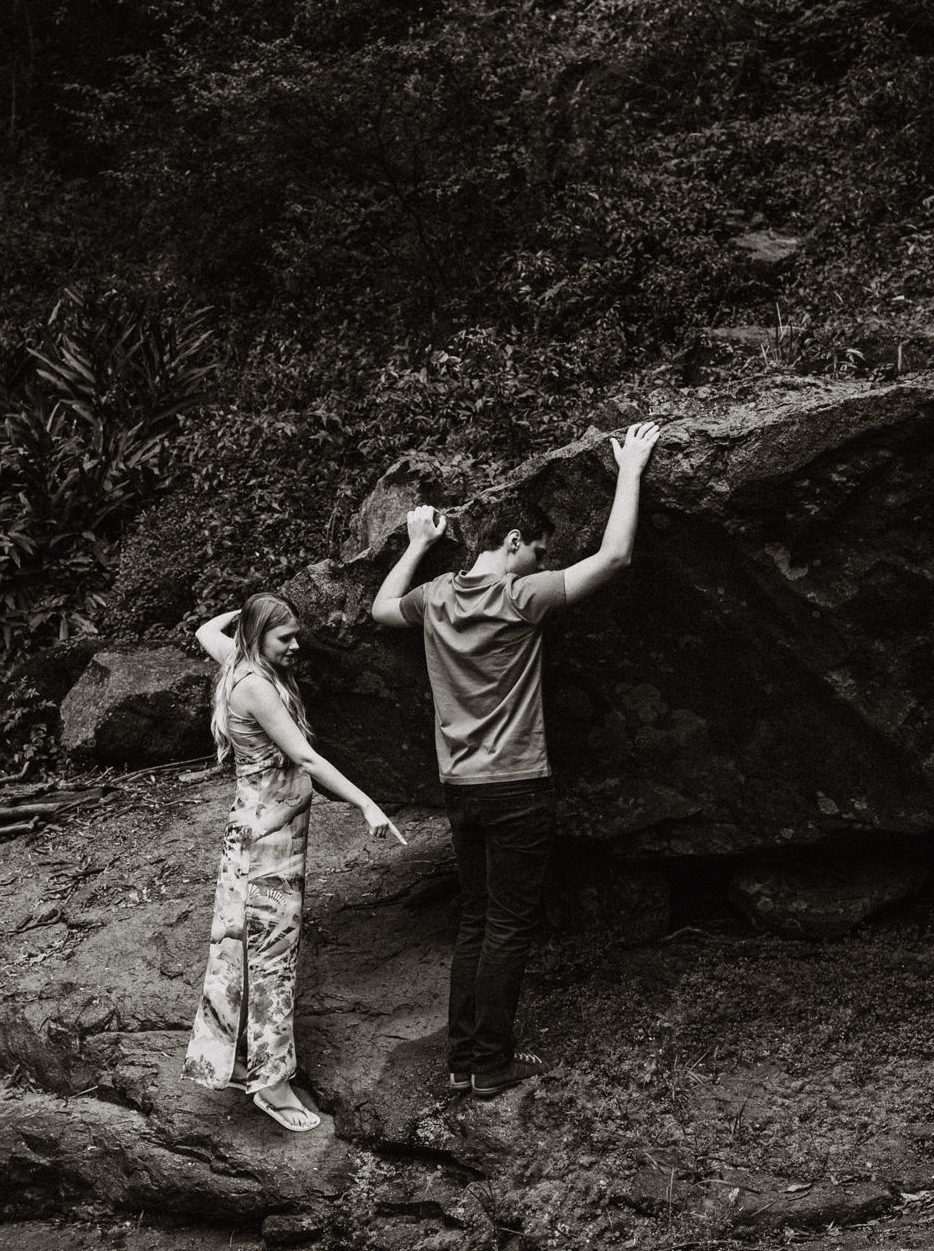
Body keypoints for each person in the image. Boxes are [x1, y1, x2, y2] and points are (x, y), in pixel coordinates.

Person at [370, 422, 662, 1099]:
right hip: (517, 786)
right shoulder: (520, 597)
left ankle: (463, 1060)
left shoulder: (437, 597)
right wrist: (631, 472)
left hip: (461, 787)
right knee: (507, 926)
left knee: (475, 920)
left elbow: (382, 607)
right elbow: (615, 558)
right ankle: (491, 1063)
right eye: (535, 550)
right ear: (511, 542)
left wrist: (415, 546)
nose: (538, 561)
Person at [183, 591, 408, 1132]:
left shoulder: (237, 660)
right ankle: (272, 1082)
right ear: (259, 638)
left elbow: (205, 632)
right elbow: (305, 757)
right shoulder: (256, 685)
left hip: (254, 832)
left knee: (236, 948)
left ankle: (231, 1060)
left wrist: (251, 616)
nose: (296, 645)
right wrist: (366, 803)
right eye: (284, 636)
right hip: (268, 844)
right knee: (270, 958)